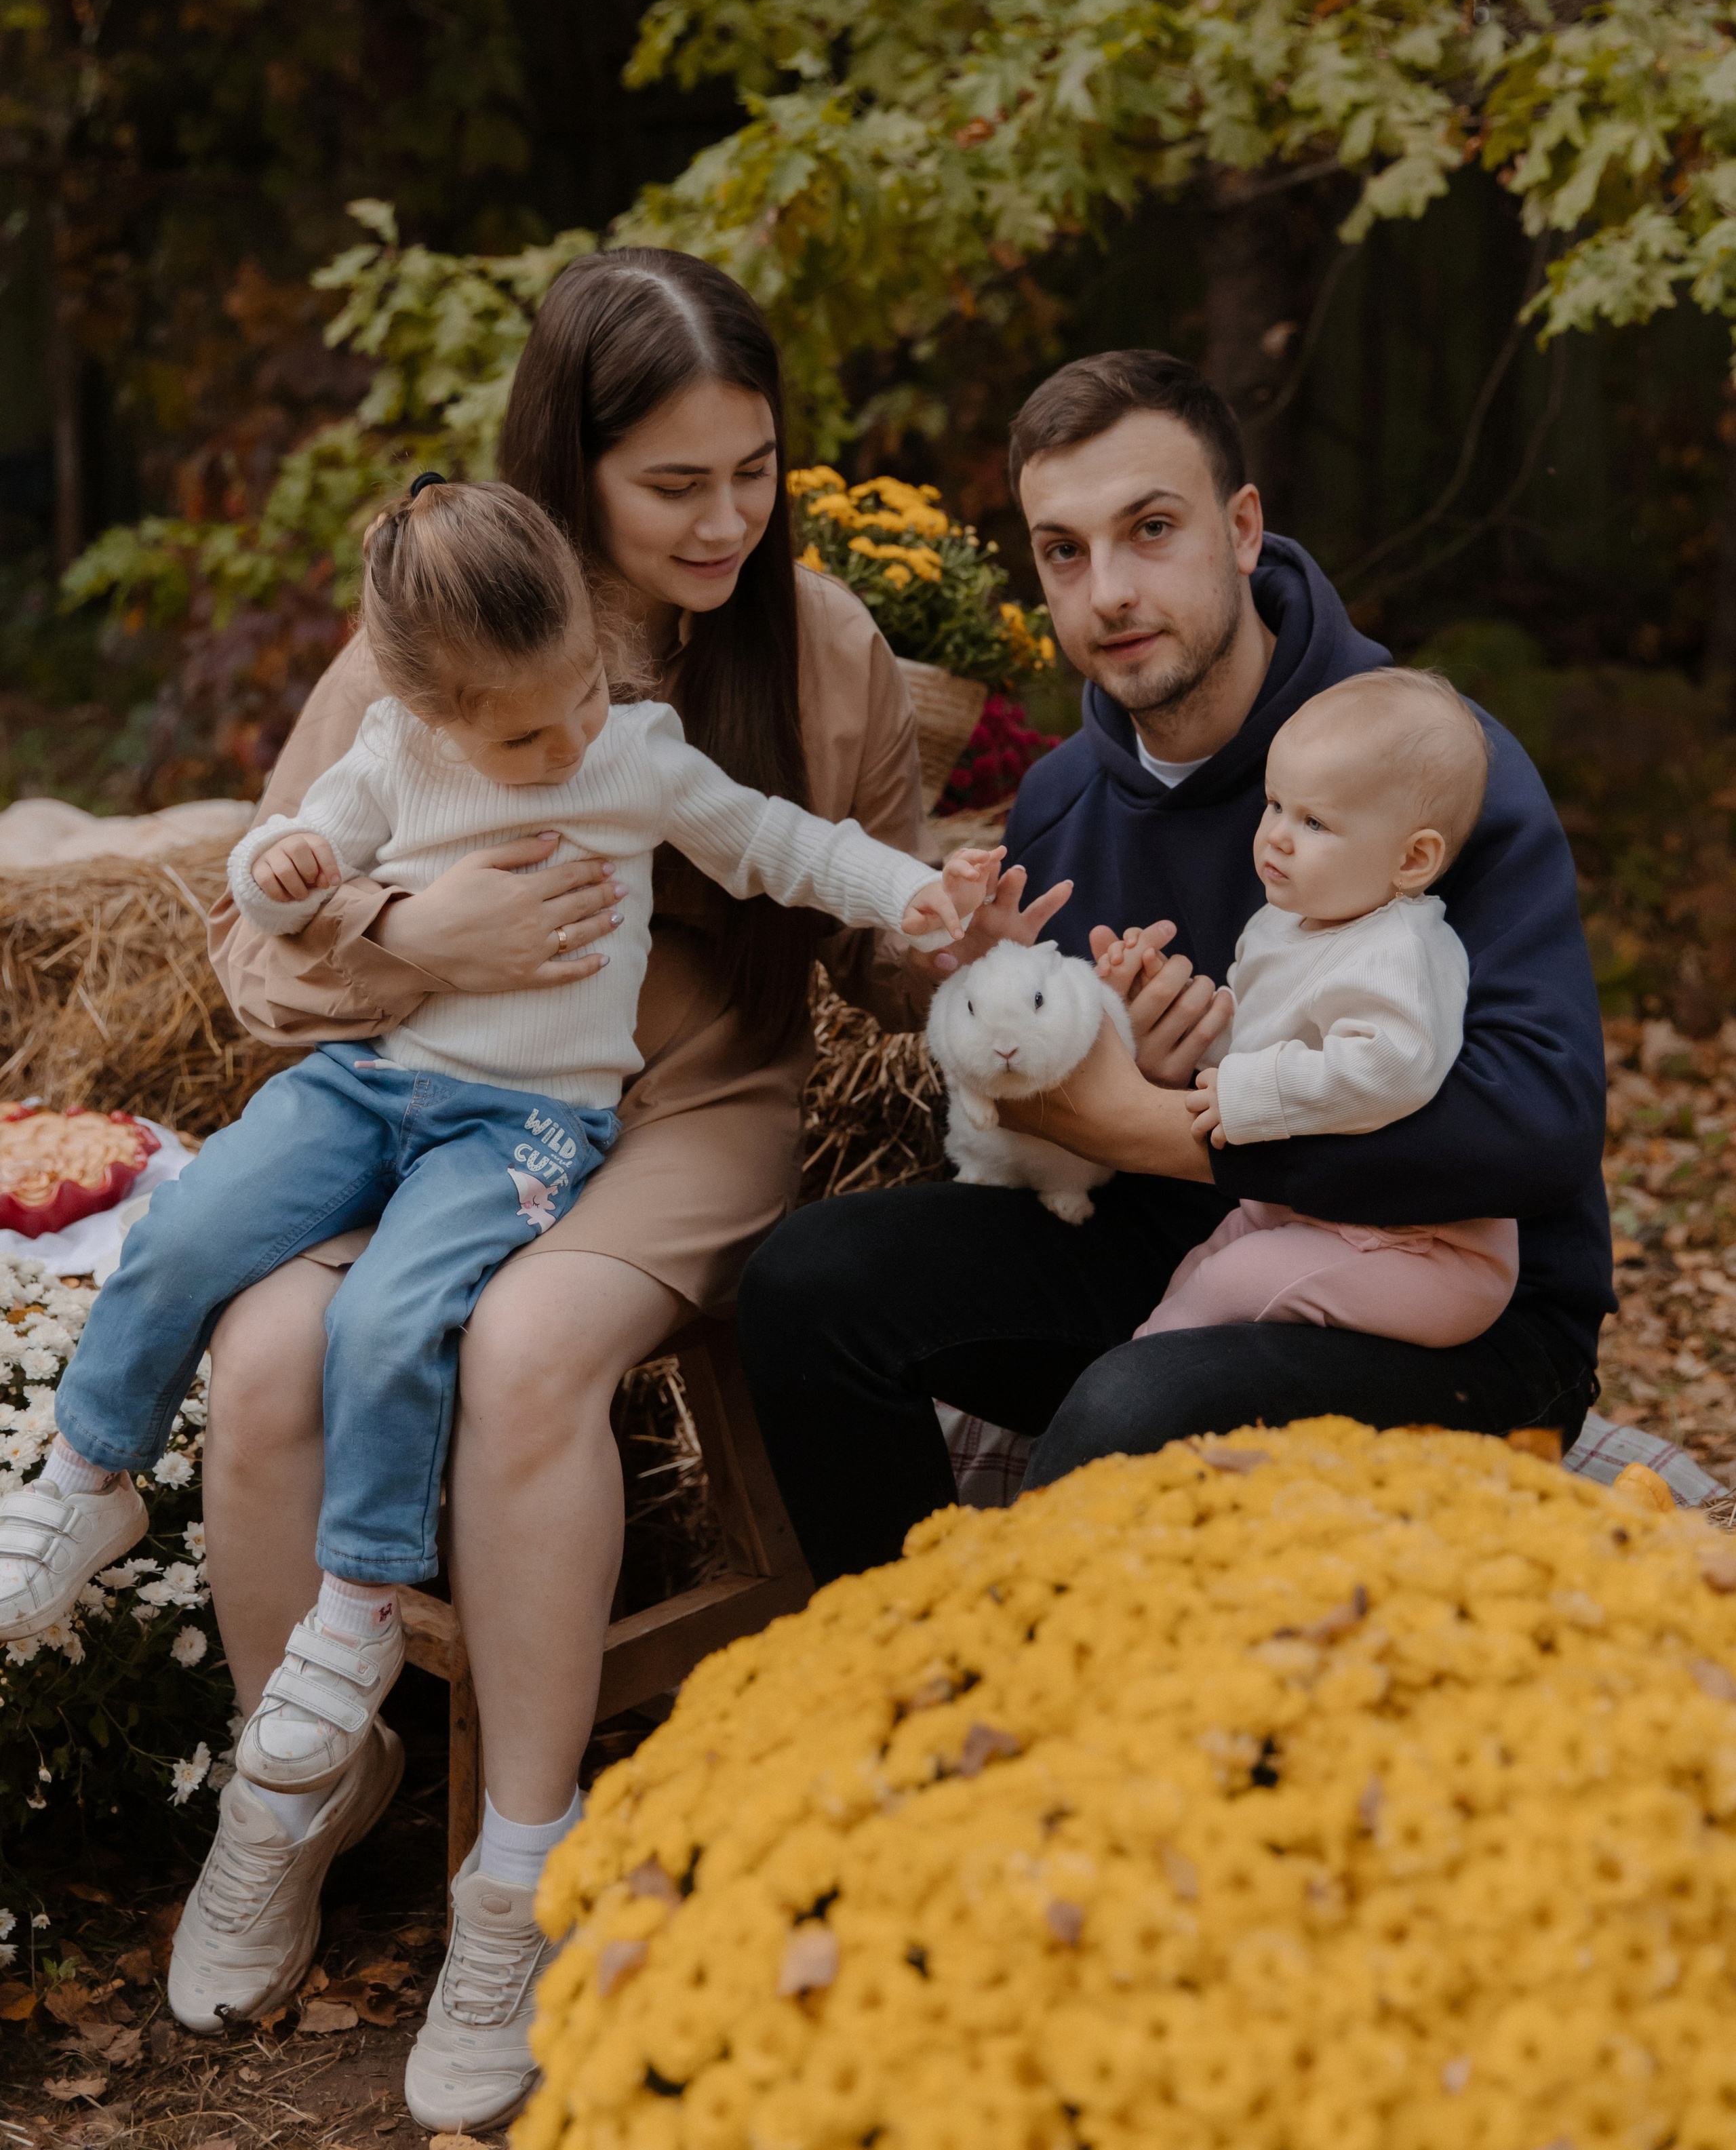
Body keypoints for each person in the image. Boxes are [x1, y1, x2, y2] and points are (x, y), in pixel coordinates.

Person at [165, 251, 1043, 2132]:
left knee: (537, 1347)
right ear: (570, 468)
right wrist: (417, 922)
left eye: (755, 471)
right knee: (262, 1357)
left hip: (686, 1106)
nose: (726, 520)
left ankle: (519, 1880)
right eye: (674, 485)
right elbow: (261, 955)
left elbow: (866, 934)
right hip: (420, 1097)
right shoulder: (439, 628)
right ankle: (298, 1793)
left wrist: (951, 939)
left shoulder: (817, 647)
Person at [0, 482, 990, 1776]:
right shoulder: (394, 752)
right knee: (193, 1223)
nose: (570, 743)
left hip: (525, 1127)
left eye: (585, 693)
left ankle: (357, 1606)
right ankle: (90, 1473)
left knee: (390, 1314)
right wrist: (285, 873)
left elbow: (781, 845)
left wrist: (919, 894)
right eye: (525, 739)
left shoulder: (632, 752)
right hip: (367, 1085)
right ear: (431, 717)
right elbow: (278, 868)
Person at [736, 348, 1612, 1585]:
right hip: (1182, 1262)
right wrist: (1010, 1039)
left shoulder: (1422, 766)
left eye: (1152, 529)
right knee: (808, 1284)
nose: (1109, 592)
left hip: (1454, 1310)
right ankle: (909, 1680)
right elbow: (1042, 1144)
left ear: (1243, 529)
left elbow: (1543, 1127)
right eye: (1064, 551)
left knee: (1137, 1409)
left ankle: (1044, 1723)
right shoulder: (1055, 806)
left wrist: (1167, 1125)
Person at [1138, 666, 1518, 1347]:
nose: (1277, 835)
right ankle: (1137, 1390)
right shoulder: (1283, 924)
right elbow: (1258, 1047)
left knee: (1226, 1285)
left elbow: (1391, 1067)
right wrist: (1194, 1032)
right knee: (1199, 1270)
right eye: (1275, 804)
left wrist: (1248, 1092)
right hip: (1311, 1212)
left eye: (1314, 821)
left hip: (1427, 1250)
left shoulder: (1401, 948)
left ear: (1412, 860)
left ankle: (1136, 1414)